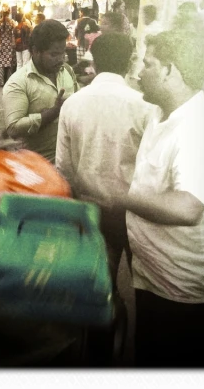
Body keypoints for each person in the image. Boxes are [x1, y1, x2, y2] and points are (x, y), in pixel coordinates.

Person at [89, 29, 204, 367]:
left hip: (192, 297)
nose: (137, 71)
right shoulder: (160, 116)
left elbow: (187, 208)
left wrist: (120, 195)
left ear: (171, 71)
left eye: (148, 63)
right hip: (157, 282)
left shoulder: (200, 127)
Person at [56, 33, 156, 291]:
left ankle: (104, 329)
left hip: (91, 209)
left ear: (94, 62)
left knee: (98, 289)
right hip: (137, 210)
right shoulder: (145, 106)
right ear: (131, 61)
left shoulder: (72, 104)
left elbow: (63, 168)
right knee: (144, 284)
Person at [3, 20, 78, 164]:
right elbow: (13, 128)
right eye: (54, 54)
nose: (61, 59)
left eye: (63, 53)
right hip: (36, 168)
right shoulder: (18, 82)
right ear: (35, 51)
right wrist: (53, 112)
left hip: (69, 163)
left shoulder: (67, 71)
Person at [0, 5, 17, 87]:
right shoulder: (12, 22)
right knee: (10, 65)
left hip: (1, 45)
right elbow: (14, 34)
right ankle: (9, 82)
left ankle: (1, 82)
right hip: (10, 45)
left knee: (0, 65)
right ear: (9, 13)